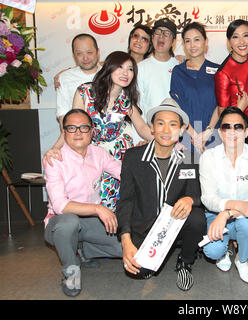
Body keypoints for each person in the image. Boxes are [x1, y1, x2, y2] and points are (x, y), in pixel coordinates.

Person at [44, 51, 153, 211]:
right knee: (87, 199)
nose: (125, 73)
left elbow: (143, 128)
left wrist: (167, 139)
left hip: (119, 157)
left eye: (130, 69)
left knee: (118, 202)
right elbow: (73, 126)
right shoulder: (85, 92)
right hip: (91, 156)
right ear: (109, 68)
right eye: (120, 67)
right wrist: (55, 148)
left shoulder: (125, 100)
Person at [116, 98, 206, 291]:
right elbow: (126, 201)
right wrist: (126, 240)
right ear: (151, 128)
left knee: (197, 218)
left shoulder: (188, 160)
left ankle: (185, 262)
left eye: (173, 125)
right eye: (160, 123)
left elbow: (197, 193)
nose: (166, 130)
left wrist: (190, 198)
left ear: (181, 130)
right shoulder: (133, 157)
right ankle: (159, 252)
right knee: (139, 271)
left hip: (175, 224)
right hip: (145, 226)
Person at [43, 109, 123, 297]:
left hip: (90, 221)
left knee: (123, 246)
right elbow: (60, 205)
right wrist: (98, 208)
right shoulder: (54, 159)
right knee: (69, 221)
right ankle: (71, 272)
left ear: (92, 131)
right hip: (60, 222)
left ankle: (82, 250)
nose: (78, 132)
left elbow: (125, 173)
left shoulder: (99, 153)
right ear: (64, 133)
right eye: (71, 128)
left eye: (84, 128)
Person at [199, 107, 248, 284]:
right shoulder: (208, 157)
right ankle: (223, 253)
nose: (232, 132)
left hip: (242, 215)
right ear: (220, 132)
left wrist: (227, 213)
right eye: (226, 127)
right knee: (213, 251)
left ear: (246, 132)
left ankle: (242, 259)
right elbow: (208, 198)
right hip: (214, 214)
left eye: (238, 127)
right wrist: (228, 210)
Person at [170, 22, 221, 155]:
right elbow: (177, 108)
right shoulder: (178, 72)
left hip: (213, 135)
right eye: (188, 41)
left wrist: (208, 132)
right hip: (186, 137)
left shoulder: (218, 70)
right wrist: (195, 136)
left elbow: (221, 105)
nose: (192, 45)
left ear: (206, 41)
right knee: (188, 173)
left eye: (197, 40)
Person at [214, 20, 248, 141]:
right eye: (235, 37)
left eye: (246, 35)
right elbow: (222, 114)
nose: (242, 42)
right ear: (229, 42)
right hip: (236, 131)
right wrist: (239, 109)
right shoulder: (223, 73)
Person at [135, 18, 180, 144]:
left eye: (167, 33)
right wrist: (146, 136)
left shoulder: (180, 67)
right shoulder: (140, 68)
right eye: (158, 32)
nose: (161, 36)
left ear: (174, 41)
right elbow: (138, 107)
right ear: (152, 37)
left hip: (177, 138)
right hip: (149, 137)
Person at [55, 33, 101, 131]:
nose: (85, 58)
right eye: (79, 53)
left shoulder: (110, 74)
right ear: (74, 55)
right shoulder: (65, 78)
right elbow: (62, 113)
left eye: (89, 52)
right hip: (79, 135)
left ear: (97, 52)